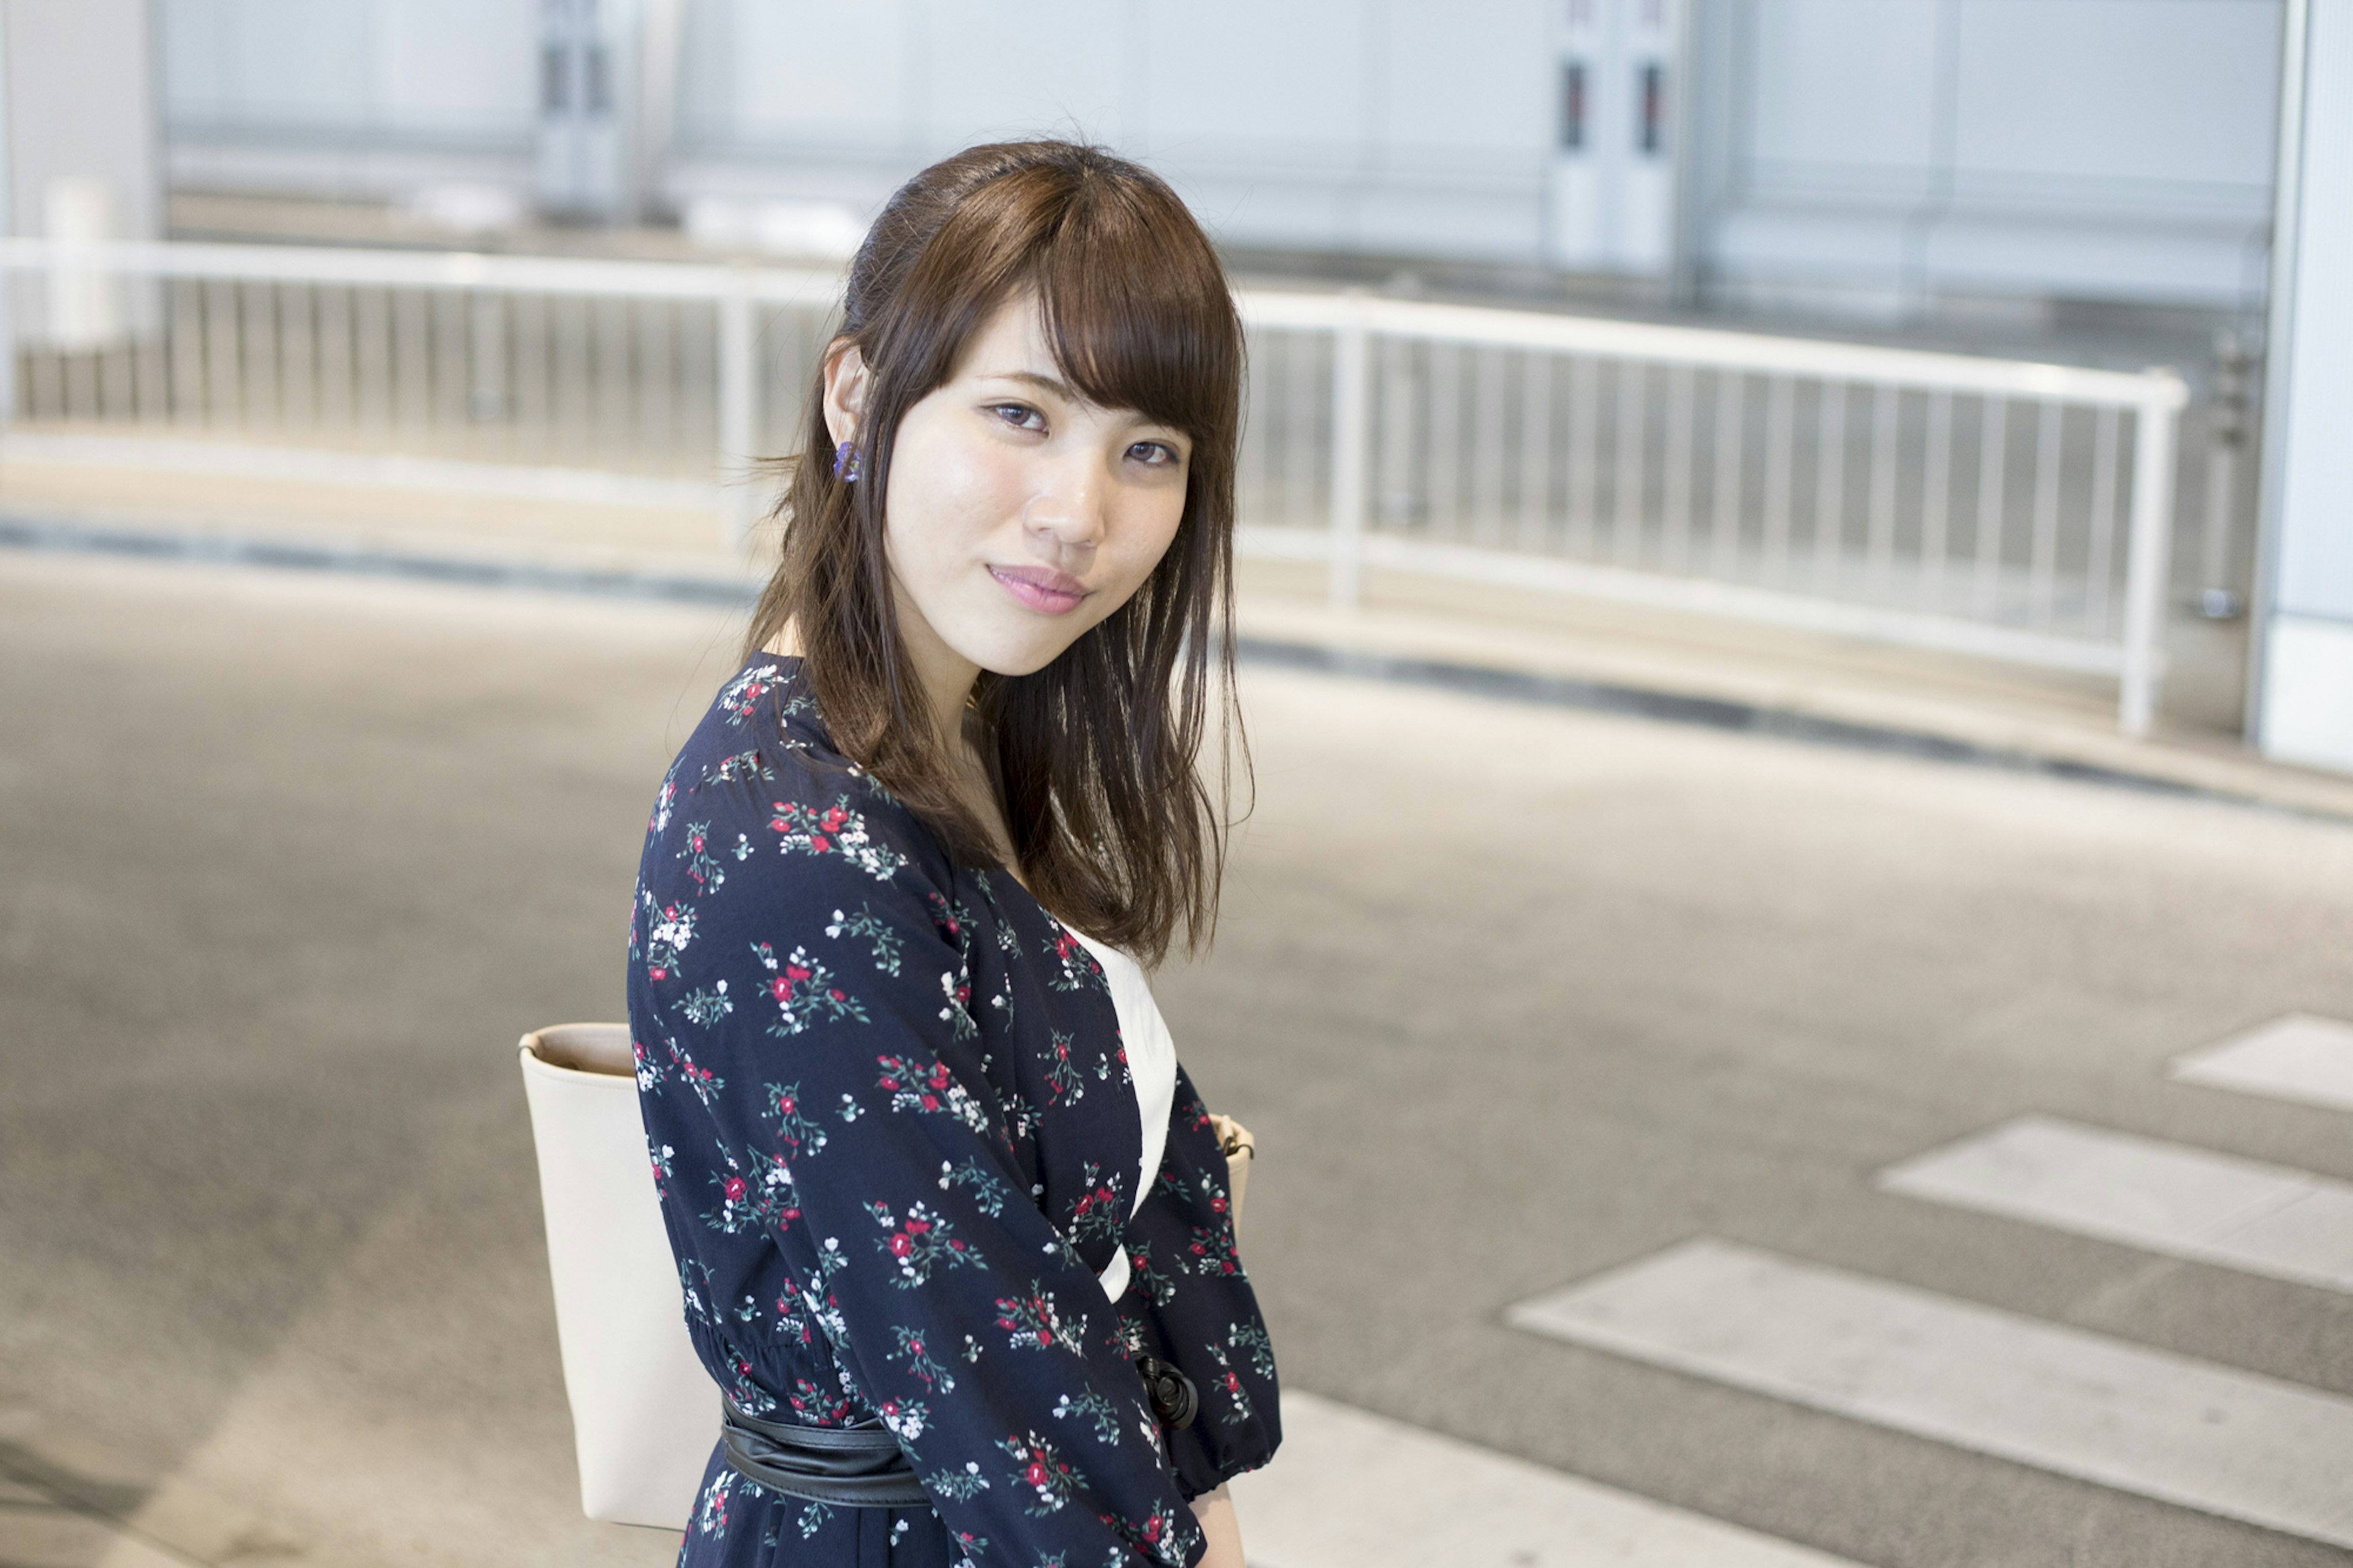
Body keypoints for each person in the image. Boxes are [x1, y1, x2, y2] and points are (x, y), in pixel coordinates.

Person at [626, 140, 1279, 1568]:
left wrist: (1207, 1497)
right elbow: (986, 1360)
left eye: (1146, 449)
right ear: (859, 393)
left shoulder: (965, 744)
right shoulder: (790, 838)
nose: (1080, 514)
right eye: (1020, 414)